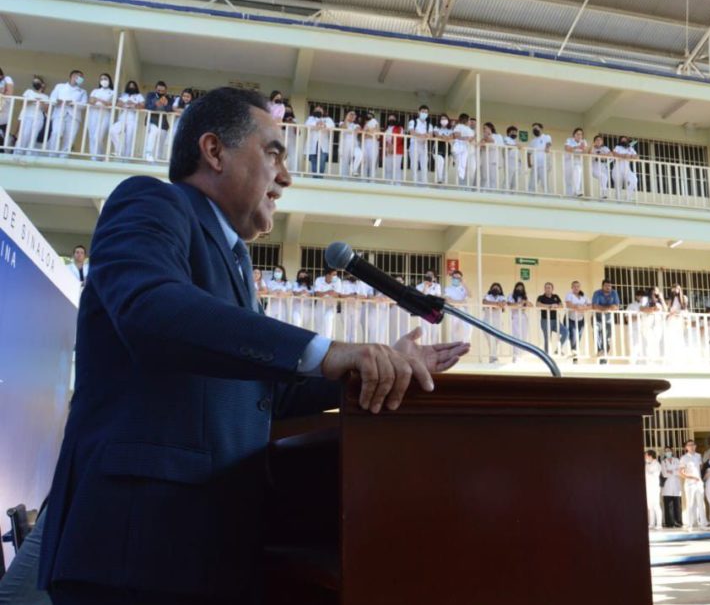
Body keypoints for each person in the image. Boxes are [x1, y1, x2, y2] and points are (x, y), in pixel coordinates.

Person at [36, 87, 470, 604]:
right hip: (135, 552)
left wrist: (366, 367)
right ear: (214, 151)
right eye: (273, 153)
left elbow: (266, 390)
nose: (286, 177)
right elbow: (150, 310)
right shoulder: (152, 203)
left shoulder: (237, 265)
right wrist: (327, 351)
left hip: (216, 553)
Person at [47, 69, 88, 155]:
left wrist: (72, 103)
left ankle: (63, 155)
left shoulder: (82, 91)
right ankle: (51, 153)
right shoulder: (60, 86)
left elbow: (84, 105)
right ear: (73, 76)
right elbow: (52, 98)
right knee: (56, 133)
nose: (80, 79)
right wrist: (57, 101)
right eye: (79, 76)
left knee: (70, 137)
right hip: (59, 113)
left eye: (81, 77)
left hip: (74, 116)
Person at [14, 76, 50, 155]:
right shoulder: (29, 92)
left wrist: (41, 103)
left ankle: (28, 154)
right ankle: (17, 154)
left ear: (42, 84)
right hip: (27, 116)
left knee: (33, 136)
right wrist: (32, 100)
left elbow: (47, 110)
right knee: (24, 135)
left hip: (38, 118)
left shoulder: (46, 97)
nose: (35, 83)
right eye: (34, 82)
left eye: (37, 81)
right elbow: (22, 103)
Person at [109, 80, 144, 159]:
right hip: (122, 117)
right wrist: (126, 103)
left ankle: (126, 159)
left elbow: (142, 106)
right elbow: (118, 103)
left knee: (129, 140)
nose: (131, 87)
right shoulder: (124, 95)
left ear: (135, 87)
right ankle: (119, 150)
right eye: (130, 86)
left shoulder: (139, 96)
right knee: (113, 130)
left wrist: (134, 104)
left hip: (132, 119)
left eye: (133, 86)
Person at [84, 72, 116, 158]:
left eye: (105, 78)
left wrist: (98, 99)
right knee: (92, 136)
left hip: (105, 115)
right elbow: (90, 101)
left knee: (98, 137)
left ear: (109, 80)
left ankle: (100, 156)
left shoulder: (112, 92)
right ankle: (93, 157)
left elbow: (110, 104)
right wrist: (102, 101)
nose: (103, 80)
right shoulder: (95, 91)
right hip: (93, 114)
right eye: (101, 79)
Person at [142, 80, 173, 162]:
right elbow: (147, 106)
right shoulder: (150, 95)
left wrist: (166, 104)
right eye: (159, 90)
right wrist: (156, 104)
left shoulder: (168, 98)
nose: (160, 92)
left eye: (163, 91)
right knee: (153, 132)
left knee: (162, 139)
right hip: (151, 119)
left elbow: (169, 110)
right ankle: (148, 153)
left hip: (163, 122)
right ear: (155, 89)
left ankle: (159, 157)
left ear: (165, 91)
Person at [592, 279, 621, 363]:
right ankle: (600, 350)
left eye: (609, 286)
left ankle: (603, 357)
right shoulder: (597, 293)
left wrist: (604, 309)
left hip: (608, 318)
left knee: (607, 338)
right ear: (602, 286)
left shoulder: (614, 293)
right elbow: (595, 306)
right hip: (597, 316)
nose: (608, 287)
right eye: (606, 286)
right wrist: (608, 308)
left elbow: (616, 306)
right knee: (596, 332)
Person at [680, 440, 706, 531]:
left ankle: (703, 524)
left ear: (695, 446)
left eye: (693, 445)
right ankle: (689, 525)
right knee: (690, 504)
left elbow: (700, 467)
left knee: (701, 503)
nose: (691, 446)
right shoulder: (684, 458)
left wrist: (698, 478)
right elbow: (681, 473)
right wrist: (691, 477)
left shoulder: (699, 456)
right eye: (689, 445)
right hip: (689, 483)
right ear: (686, 447)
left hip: (699, 483)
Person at [561, 280, 588, 361]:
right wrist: (578, 306)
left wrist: (583, 307)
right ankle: (574, 354)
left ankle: (574, 354)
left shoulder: (584, 296)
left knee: (578, 337)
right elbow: (569, 304)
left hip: (580, 319)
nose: (576, 288)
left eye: (578, 286)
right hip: (570, 319)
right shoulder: (569, 295)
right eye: (574, 286)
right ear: (572, 287)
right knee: (573, 336)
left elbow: (590, 305)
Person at [305, 105, 334, 176]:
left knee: (322, 162)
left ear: (323, 111)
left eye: (320, 109)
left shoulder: (327, 119)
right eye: (316, 109)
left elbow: (332, 126)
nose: (318, 110)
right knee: (314, 162)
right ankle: (315, 179)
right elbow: (307, 125)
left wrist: (323, 124)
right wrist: (316, 124)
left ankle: (320, 178)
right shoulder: (311, 118)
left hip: (323, 144)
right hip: (313, 144)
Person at [444, 269, 471, 343]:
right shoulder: (448, 289)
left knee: (467, 328)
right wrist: (461, 302)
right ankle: (454, 348)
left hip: (464, 311)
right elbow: (448, 300)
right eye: (454, 277)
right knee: (454, 331)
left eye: (458, 278)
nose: (456, 279)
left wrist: (464, 284)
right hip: (453, 311)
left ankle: (465, 345)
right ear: (452, 278)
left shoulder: (464, 288)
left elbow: (470, 295)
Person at [535, 281, 562, 356]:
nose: (547, 289)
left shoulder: (556, 296)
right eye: (546, 287)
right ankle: (547, 355)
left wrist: (556, 306)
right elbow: (537, 304)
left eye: (549, 287)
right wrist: (550, 306)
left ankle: (558, 349)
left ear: (552, 289)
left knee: (566, 332)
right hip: (545, 320)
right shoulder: (541, 297)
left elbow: (561, 305)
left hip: (555, 320)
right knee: (547, 338)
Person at [482, 282, 507, 362]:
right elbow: (485, 302)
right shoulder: (487, 296)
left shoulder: (502, 297)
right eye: (494, 287)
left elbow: (503, 304)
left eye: (497, 288)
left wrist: (495, 305)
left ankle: (492, 358)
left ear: (500, 290)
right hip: (488, 321)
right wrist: (496, 304)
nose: (496, 289)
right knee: (491, 339)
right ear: (491, 289)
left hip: (498, 322)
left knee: (496, 340)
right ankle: (493, 358)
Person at [416, 270, 442, 344]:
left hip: (434, 311)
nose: (429, 277)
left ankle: (434, 348)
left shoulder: (437, 286)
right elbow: (420, 297)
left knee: (434, 331)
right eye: (427, 275)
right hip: (424, 311)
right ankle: (424, 348)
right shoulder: (419, 286)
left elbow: (437, 297)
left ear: (434, 278)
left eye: (431, 275)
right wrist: (425, 286)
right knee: (424, 331)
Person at [507, 282, 531, 361]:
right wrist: (520, 303)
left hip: (523, 317)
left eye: (521, 288)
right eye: (518, 287)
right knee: (516, 336)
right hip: (515, 316)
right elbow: (510, 304)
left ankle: (521, 355)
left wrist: (526, 302)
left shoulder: (524, 297)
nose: (519, 289)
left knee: (523, 336)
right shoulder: (511, 295)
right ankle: (515, 356)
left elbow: (531, 305)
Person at [408, 105, 431, 183]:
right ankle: (415, 183)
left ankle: (424, 183)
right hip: (414, 145)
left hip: (424, 146)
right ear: (419, 112)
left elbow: (430, 135)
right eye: (423, 112)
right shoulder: (413, 122)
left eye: (426, 112)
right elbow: (412, 132)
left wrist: (426, 136)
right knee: (414, 165)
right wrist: (421, 135)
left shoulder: (428, 124)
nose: (424, 113)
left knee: (424, 165)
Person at [661, 447, 683, 528]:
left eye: (669, 451)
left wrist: (671, 471)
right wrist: (674, 471)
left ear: (672, 451)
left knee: (677, 505)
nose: (668, 452)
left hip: (676, 485)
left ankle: (678, 522)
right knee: (668, 505)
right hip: (667, 486)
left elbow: (680, 471)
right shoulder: (663, 462)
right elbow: (664, 474)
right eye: (666, 451)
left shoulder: (677, 460)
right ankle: (669, 523)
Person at [612, 136, 639, 201]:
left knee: (634, 180)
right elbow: (614, 153)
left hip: (627, 169)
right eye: (622, 140)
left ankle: (628, 197)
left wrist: (632, 156)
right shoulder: (618, 147)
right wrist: (624, 155)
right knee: (618, 186)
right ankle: (618, 202)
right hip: (617, 169)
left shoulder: (630, 148)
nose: (624, 141)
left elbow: (637, 157)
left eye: (625, 140)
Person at [451, 112, 474, 186]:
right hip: (460, 149)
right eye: (469, 119)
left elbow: (471, 139)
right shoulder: (459, 126)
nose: (469, 121)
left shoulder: (469, 129)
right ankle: (460, 186)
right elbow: (457, 135)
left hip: (468, 150)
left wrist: (470, 138)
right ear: (465, 120)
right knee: (461, 168)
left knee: (468, 169)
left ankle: (465, 186)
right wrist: (466, 138)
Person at [528, 122, 551, 193]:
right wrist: (528, 163)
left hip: (544, 164)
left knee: (545, 183)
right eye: (533, 129)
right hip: (535, 165)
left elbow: (548, 143)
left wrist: (547, 148)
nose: (534, 129)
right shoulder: (532, 141)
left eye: (536, 128)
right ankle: (530, 199)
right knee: (532, 184)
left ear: (541, 129)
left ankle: (549, 200)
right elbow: (528, 153)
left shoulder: (546, 137)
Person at [563, 127, 586, 196]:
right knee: (568, 180)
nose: (579, 136)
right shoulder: (569, 140)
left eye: (581, 134)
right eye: (578, 134)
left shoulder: (583, 142)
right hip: (568, 161)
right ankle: (569, 196)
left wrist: (583, 148)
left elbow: (585, 152)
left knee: (577, 171)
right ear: (574, 135)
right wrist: (577, 147)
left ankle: (577, 190)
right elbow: (567, 148)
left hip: (578, 161)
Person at [338, 110, 360, 177]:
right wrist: (346, 119)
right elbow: (343, 127)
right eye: (351, 114)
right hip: (344, 145)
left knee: (359, 154)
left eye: (354, 115)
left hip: (354, 145)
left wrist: (351, 131)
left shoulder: (356, 125)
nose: (352, 116)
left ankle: (354, 170)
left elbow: (357, 130)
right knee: (344, 163)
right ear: (346, 115)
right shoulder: (341, 123)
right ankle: (344, 180)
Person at [590, 134, 613, 199]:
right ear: (594, 141)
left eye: (600, 140)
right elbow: (590, 154)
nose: (598, 141)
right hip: (594, 166)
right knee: (603, 177)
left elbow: (610, 155)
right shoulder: (592, 148)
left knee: (604, 179)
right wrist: (593, 146)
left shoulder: (605, 148)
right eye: (597, 140)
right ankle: (604, 192)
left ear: (602, 141)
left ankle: (602, 196)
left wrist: (601, 155)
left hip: (603, 165)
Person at [383, 113, 405, 181]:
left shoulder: (400, 128)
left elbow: (400, 138)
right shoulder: (386, 129)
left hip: (397, 150)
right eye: (390, 118)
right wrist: (387, 148)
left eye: (393, 118)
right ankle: (388, 185)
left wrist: (392, 146)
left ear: (396, 120)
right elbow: (384, 140)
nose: (391, 120)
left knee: (396, 168)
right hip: (387, 150)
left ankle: (398, 185)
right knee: (388, 168)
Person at [360, 110, 381, 179]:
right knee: (364, 162)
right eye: (368, 114)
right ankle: (363, 180)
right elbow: (363, 134)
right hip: (365, 143)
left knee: (372, 162)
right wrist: (370, 132)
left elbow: (377, 136)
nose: (369, 115)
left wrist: (368, 131)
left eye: (371, 114)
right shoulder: (365, 123)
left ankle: (372, 180)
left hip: (373, 143)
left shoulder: (375, 122)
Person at [645, 450, 663, 530]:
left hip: (654, 487)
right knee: (650, 506)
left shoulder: (657, 464)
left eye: (646, 455)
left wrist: (646, 473)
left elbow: (655, 475)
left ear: (650, 456)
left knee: (656, 505)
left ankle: (659, 524)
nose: (645, 457)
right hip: (648, 487)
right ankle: (652, 523)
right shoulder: (647, 464)